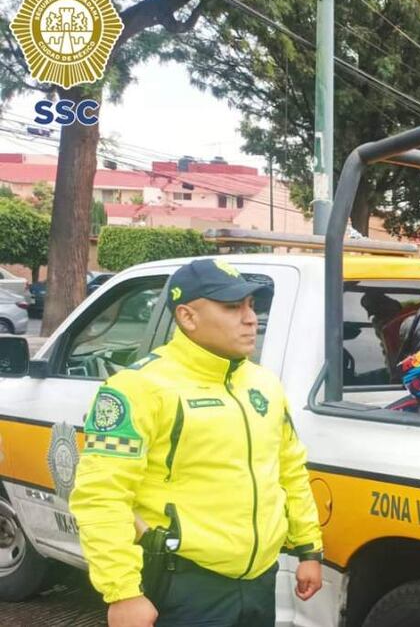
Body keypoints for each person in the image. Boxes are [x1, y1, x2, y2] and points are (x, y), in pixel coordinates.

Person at [70, 258, 325, 627]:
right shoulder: (138, 388)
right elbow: (101, 496)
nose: (250, 318)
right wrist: (123, 592)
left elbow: (289, 470)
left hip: (259, 580)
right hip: (184, 585)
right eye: (232, 307)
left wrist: (308, 550)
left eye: (252, 306)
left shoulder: (264, 384)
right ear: (188, 317)